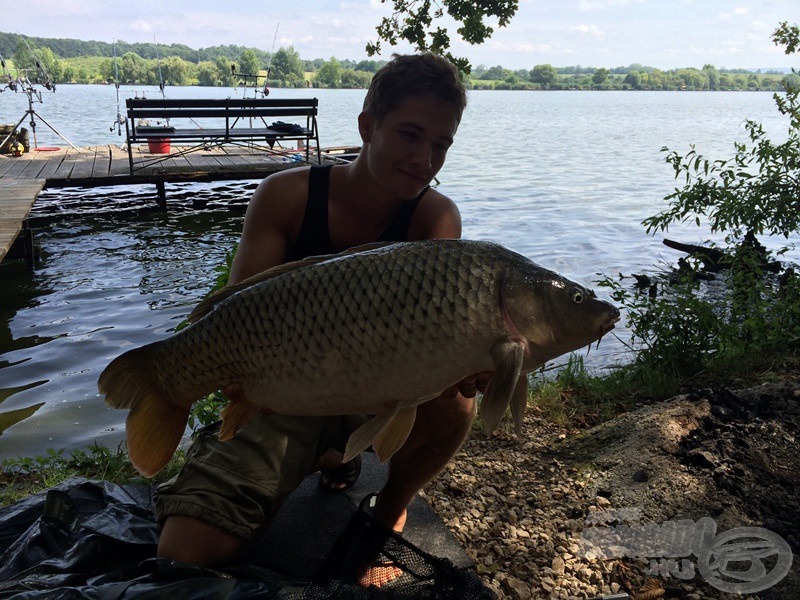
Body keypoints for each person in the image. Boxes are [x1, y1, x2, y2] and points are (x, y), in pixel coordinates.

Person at [155, 53, 487, 581]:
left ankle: (390, 505)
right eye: (409, 135)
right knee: (185, 555)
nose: (425, 159)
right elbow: (235, 315)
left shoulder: (435, 216)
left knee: (458, 401)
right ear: (367, 126)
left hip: (378, 387)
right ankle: (330, 455)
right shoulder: (286, 195)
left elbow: (436, 340)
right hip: (279, 394)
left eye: (441, 144)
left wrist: (468, 360)